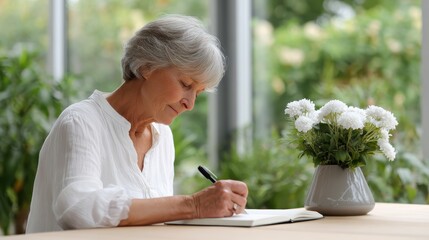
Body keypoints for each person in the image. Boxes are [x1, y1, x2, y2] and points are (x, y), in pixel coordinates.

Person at [26, 14, 248, 233]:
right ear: (146, 66)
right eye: (185, 84)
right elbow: (78, 208)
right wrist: (193, 206)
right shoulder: (81, 122)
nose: (189, 104)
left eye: (198, 94)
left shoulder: (163, 137)